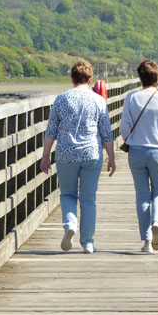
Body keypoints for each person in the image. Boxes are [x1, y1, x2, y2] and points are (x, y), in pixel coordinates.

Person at [41, 59, 115, 254]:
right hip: (91, 153)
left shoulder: (61, 99)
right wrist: (112, 158)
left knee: (67, 194)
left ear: (72, 78)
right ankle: (88, 242)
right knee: (88, 198)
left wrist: (45, 156)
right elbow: (106, 133)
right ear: (90, 80)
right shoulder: (98, 100)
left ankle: (70, 225)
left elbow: (51, 131)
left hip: (65, 154)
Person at [120, 59, 158, 253]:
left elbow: (124, 128)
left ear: (140, 77)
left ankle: (146, 242)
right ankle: (157, 223)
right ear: (157, 77)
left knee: (142, 196)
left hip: (136, 151)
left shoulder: (131, 98)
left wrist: (132, 138)